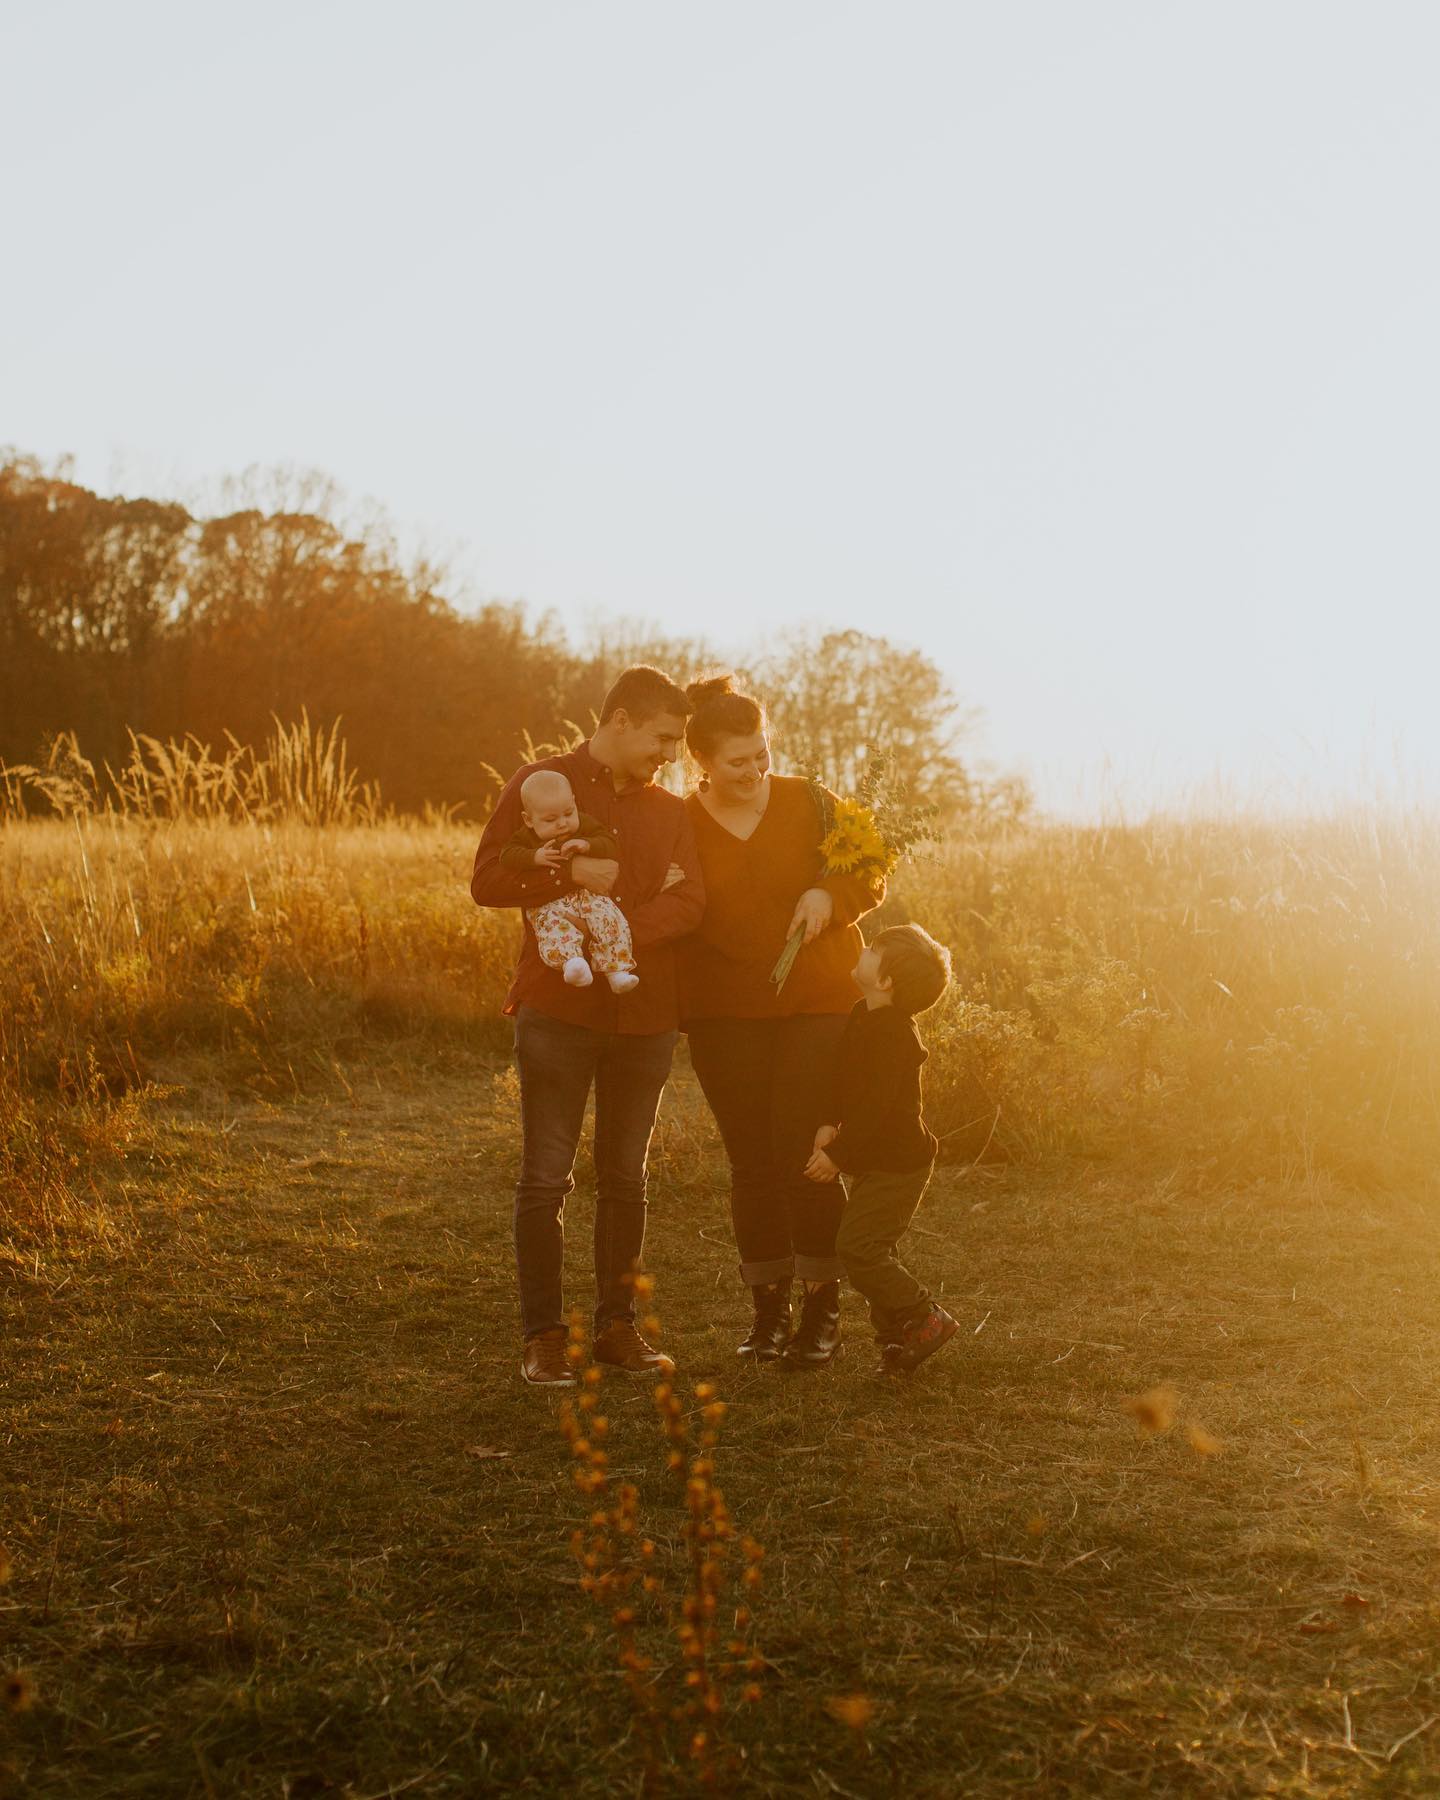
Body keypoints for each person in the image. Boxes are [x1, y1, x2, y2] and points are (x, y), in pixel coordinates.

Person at [471, 666, 705, 1388]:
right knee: (545, 1180)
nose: (668, 754)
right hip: (557, 1012)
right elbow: (487, 881)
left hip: (645, 1017)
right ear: (624, 719)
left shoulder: (672, 810)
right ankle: (543, 1339)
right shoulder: (540, 783)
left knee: (625, 1180)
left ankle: (617, 1330)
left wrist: (619, 928)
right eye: (662, 738)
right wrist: (571, 883)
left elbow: (692, 900)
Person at [677, 674, 885, 1370]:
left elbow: (872, 867)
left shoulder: (813, 801)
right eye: (738, 760)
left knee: (804, 1157)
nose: (755, 769)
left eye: (762, 752)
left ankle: (822, 1310)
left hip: (818, 1002)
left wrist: (830, 893)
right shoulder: (681, 822)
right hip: (724, 1012)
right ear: (700, 761)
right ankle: (768, 1311)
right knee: (753, 1163)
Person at [804, 923, 958, 1373]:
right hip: (875, 1159)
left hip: (900, 1165)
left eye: (873, 948)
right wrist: (827, 1122)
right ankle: (895, 1339)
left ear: (886, 980)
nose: (864, 948)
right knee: (871, 1246)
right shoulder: (862, 1014)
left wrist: (839, 1154)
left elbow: (875, 1106)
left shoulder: (895, 1036)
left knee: (859, 1248)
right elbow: (842, 1078)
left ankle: (924, 1315)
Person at [498, 768, 639, 993]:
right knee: (553, 928)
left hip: (588, 896)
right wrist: (534, 857)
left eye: (568, 813)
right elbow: (507, 856)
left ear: (574, 803)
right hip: (549, 901)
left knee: (610, 919)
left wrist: (588, 844)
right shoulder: (527, 837)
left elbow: (609, 842)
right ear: (529, 820)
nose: (562, 823)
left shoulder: (582, 824)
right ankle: (571, 963)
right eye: (551, 819)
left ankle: (617, 970)